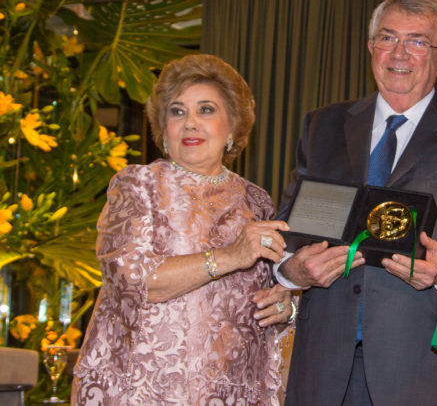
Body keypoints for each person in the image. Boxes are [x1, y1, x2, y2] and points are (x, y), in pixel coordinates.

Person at [275, 0, 437, 405]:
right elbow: (287, 227)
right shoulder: (323, 125)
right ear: (371, 48)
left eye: (418, 42)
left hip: (433, 374)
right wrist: (291, 270)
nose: (399, 53)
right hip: (326, 372)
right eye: (387, 38)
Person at [72, 54, 294, 405]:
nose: (190, 123)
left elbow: (268, 303)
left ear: (233, 127)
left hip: (233, 393)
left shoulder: (257, 202)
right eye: (177, 112)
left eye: (206, 110)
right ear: (163, 129)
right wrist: (229, 256)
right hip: (143, 391)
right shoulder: (138, 186)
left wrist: (286, 308)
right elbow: (132, 281)